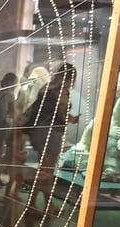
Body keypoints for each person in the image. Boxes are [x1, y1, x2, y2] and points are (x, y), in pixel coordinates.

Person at [27, 63, 79, 214]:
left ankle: (47, 205)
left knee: (45, 171)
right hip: (52, 133)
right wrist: (72, 119)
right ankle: (32, 206)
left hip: (39, 132)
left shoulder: (46, 88)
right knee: (46, 172)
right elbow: (61, 114)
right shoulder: (60, 92)